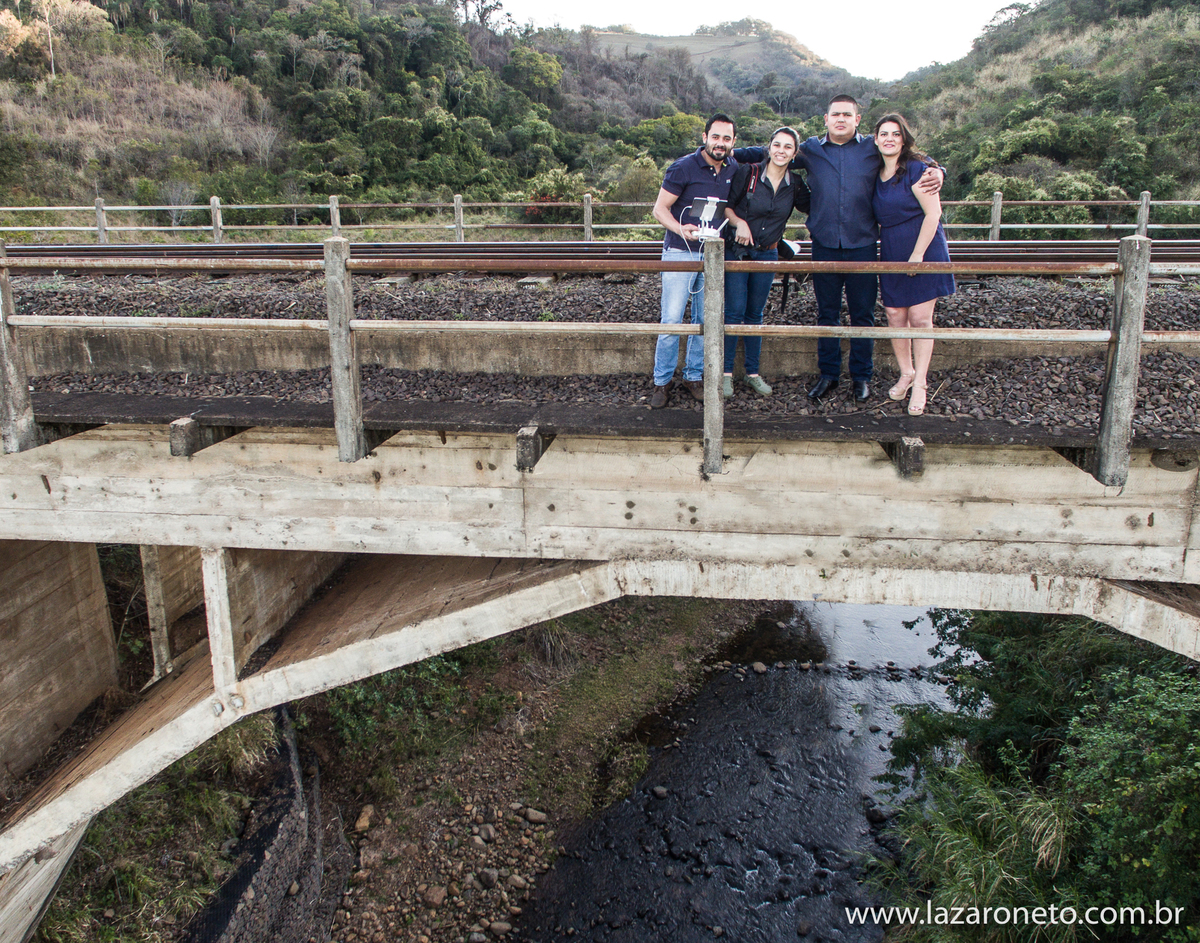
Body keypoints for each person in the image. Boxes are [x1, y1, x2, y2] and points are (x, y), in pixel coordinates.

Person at [738, 96, 943, 402]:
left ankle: (861, 377)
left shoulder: (872, 147)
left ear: (857, 119)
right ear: (826, 118)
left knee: (863, 314)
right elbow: (770, 151)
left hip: (862, 244)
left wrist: (938, 169)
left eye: (848, 114)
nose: (841, 119)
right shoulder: (810, 149)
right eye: (836, 114)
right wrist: (726, 153)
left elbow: (911, 155)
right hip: (825, 244)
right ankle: (829, 375)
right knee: (827, 313)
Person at [648, 114, 739, 409]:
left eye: (726, 138)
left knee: (704, 319)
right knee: (672, 319)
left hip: (712, 253)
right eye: (716, 137)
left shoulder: (732, 168)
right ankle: (662, 382)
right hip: (680, 250)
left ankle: (693, 376)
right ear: (705, 137)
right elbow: (659, 209)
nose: (720, 143)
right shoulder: (683, 167)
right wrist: (679, 229)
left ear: (733, 142)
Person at [872, 113, 955, 416]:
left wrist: (917, 255)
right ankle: (906, 372)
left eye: (896, 134)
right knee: (895, 314)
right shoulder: (875, 171)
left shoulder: (918, 169)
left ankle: (920, 382)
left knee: (920, 317)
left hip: (924, 246)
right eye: (884, 134)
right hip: (892, 246)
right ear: (875, 139)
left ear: (904, 139)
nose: (889, 139)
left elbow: (933, 214)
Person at [721, 127, 811, 398]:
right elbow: (727, 206)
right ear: (769, 147)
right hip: (738, 251)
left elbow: (816, 206)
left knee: (755, 314)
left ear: (795, 154)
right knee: (734, 311)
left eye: (788, 147)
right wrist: (739, 222)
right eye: (777, 145)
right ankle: (725, 374)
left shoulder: (795, 184)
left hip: (768, 253)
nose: (781, 151)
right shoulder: (748, 173)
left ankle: (752, 373)